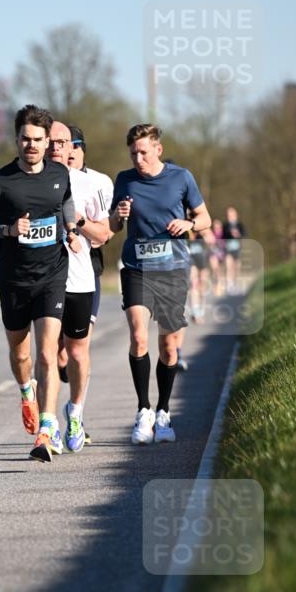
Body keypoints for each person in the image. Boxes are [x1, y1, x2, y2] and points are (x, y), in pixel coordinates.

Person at [0, 104, 81, 463]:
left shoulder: (59, 173)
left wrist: (71, 229)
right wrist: (7, 230)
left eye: (38, 139)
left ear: (48, 142)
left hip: (52, 274)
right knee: (21, 354)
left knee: (47, 353)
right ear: (16, 140)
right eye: (25, 139)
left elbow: (66, 202)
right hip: (13, 279)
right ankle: (26, 391)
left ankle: (46, 428)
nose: (31, 145)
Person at [109, 124, 211, 444]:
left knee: (168, 347)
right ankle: (143, 410)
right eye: (133, 154)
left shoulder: (181, 177)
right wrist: (118, 215)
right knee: (139, 336)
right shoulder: (124, 180)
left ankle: (163, 411)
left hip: (172, 270)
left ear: (158, 149)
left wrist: (188, 223)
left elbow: (205, 218)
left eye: (143, 152)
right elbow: (114, 225)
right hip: (136, 267)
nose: (138, 159)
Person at [48, 121, 110, 452]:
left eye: (63, 143)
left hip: (81, 277)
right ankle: (48, 426)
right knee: (48, 353)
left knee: (76, 351)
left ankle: (75, 412)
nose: (57, 148)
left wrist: (78, 222)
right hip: (44, 279)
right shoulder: (33, 181)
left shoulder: (92, 183)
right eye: (52, 142)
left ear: (73, 147)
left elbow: (104, 235)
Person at [223, 206, 246, 292]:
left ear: (235, 215)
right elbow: (223, 236)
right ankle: (229, 284)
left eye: (230, 215)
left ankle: (235, 283)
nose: (229, 217)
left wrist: (238, 235)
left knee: (236, 267)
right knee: (229, 266)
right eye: (228, 215)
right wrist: (230, 233)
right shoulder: (225, 225)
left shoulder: (240, 225)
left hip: (237, 249)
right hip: (228, 249)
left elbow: (244, 235)